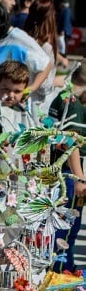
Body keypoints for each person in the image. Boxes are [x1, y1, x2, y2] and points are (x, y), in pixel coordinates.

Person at [0, 61, 37, 199]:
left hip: (22, 177)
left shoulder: (24, 112)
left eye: (17, 91)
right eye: (5, 89)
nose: (11, 95)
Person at [48, 65, 86, 269]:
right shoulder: (74, 105)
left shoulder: (62, 97)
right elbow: (71, 143)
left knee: (58, 233)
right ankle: (62, 284)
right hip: (69, 177)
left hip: (57, 174)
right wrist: (80, 179)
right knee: (66, 234)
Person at [23, 0, 60, 110]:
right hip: (37, 104)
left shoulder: (26, 39)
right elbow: (43, 86)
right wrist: (57, 81)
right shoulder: (46, 47)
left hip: (24, 98)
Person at [56, 0, 73, 67]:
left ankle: (63, 60)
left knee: (64, 46)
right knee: (63, 46)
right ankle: (63, 59)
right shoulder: (67, 10)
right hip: (66, 31)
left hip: (65, 31)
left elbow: (66, 21)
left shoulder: (66, 10)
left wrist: (63, 30)